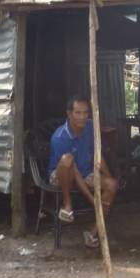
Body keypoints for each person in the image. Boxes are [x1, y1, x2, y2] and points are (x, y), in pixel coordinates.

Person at [48, 95, 118, 247]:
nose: (82, 117)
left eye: (86, 112)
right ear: (69, 113)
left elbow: (97, 156)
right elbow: (72, 170)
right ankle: (67, 204)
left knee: (112, 184)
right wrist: (92, 200)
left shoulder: (91, 127)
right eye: (78, 113)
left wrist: (108, 179)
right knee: (67, 159)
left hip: (85, 172)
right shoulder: (60, 137)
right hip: (62, 175)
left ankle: (93, 231)